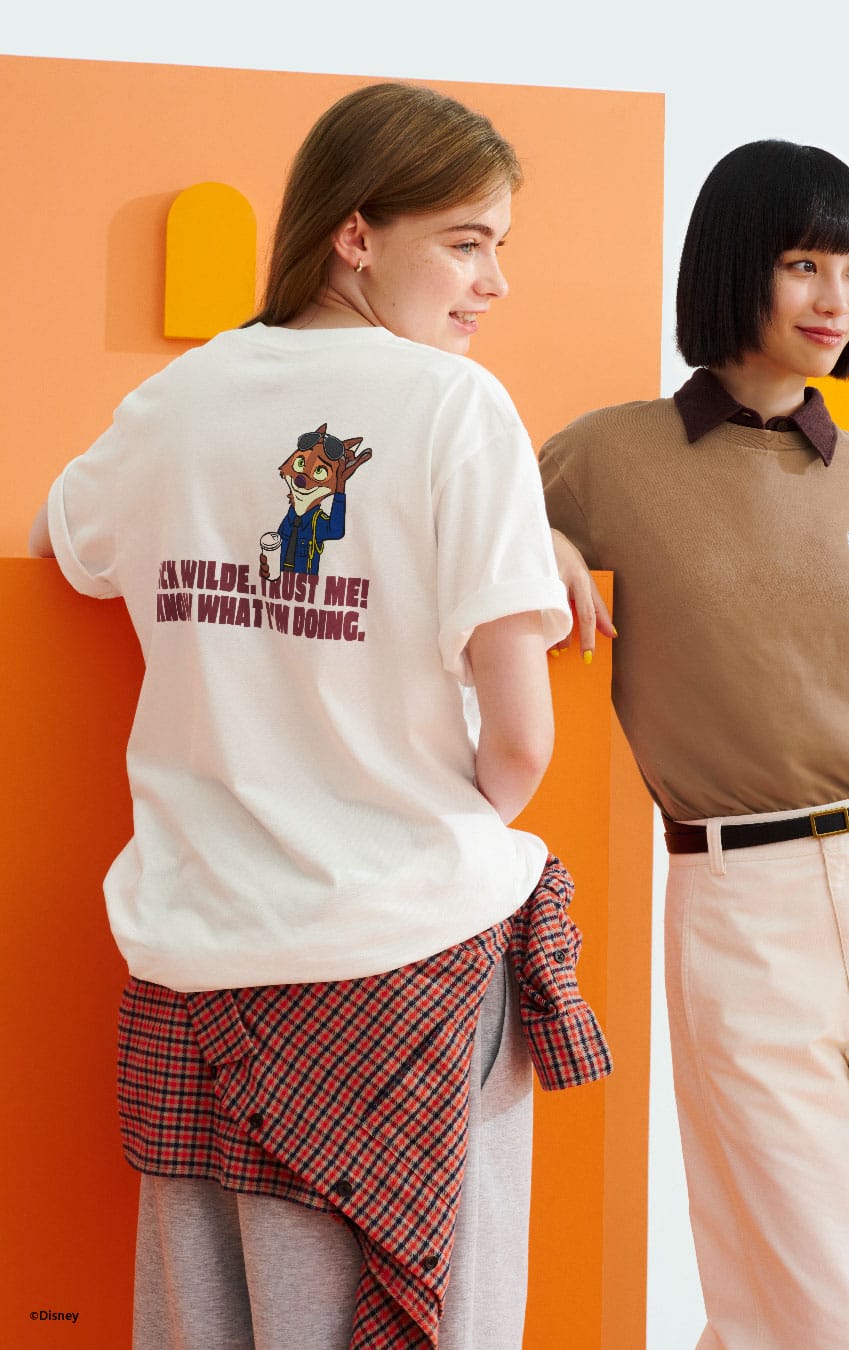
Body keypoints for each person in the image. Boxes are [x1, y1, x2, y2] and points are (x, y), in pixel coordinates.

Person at [29, 81, 611, 1350]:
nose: (494, 282)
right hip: (404, 969)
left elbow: (64, 544)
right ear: (357, 235)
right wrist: (403, 815)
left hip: (197, 972)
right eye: (467, 241)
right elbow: (520, 746)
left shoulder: (176, 405)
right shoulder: (458, 411)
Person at [540, 139, 849, 1350]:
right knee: (801, 1307)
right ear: (733, 269)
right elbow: (462, 541)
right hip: (740, 899)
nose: (838, 300)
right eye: (805, 263)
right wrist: (543, 548)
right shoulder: (605, 459)